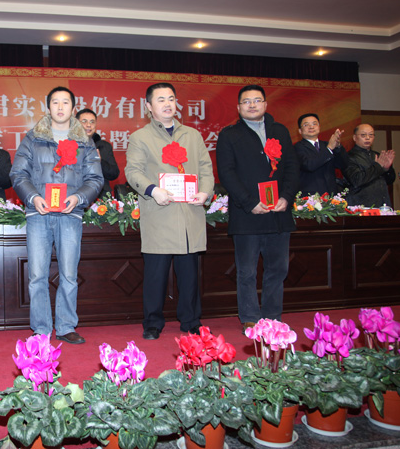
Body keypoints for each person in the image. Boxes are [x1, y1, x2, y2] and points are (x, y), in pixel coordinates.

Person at [10, 86, 103, 344]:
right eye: (55, 102)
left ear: (73, 108)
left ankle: (66, 326)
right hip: (38, 214)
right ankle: (41, 329)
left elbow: (95, 178)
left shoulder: (85, 141)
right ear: (48, 107)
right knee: (37, 275)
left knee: (69, 274)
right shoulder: (33, 138)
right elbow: (18, 174)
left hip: (70, 215)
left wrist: (78, 198)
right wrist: (33, 197)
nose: (60, 107)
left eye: (65, 102)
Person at [125, 83, 214, 339]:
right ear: (148, 106)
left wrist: (205, 192)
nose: (167, 104)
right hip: (159, 212)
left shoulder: (192, 135)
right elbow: (133, 171)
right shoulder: (140, 137)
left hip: (189, 212)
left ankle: (191, 320)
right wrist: (153, 190)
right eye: (161, 99)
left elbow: (206, 169)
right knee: (156, 274)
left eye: (171, 99)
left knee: (189, 274)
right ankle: (153, 323)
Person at [215, 85, 299, 333]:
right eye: (246, 101)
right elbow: (226, 173)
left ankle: (272, 317)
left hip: (278, 212)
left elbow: (292, 167)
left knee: (278, 269)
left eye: (257, 100)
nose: (252, 105)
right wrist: (249, 202)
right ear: (238, 107)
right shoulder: (229, 135)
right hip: (247, 214)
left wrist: (286, 197)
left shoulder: (280, 131)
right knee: (247, 271)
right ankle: (250, 317)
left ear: (265, 104)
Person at [294, 113, 349, 196]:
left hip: (331, 195)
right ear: (300, 131)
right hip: (310, 197)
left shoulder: (326, 145)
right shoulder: (297, 147)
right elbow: (309, 165)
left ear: (319, 127)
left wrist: (338, 147)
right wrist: (329, 148)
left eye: (314, 124)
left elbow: (343, 164)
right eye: (306, 125)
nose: (311, 127)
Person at [342, 124, 396, 207]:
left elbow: (390, 181)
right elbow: (356, 180)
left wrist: (386, 169)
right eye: (363, 135)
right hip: (360, 206)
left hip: (382, 205)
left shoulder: (377, 156)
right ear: (354, 138)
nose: (367, 138)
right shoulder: (348, 157)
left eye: (371, 135)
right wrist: (378, 166)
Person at [76, 108, 120, 198]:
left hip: (100, 197)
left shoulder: (104, 146)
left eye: (92, 122)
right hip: (75, 194)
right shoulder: (68, 145)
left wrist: (100, 161)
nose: (89, 125)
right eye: (84, 121)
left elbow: (114, 174)